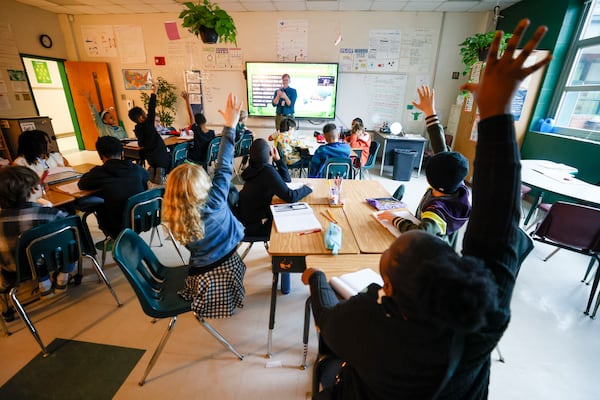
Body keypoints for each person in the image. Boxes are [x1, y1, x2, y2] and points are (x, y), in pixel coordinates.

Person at [303, 19, 551, 399]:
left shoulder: (367, 322)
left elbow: (325, 317)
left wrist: (318, 277)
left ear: (388, 288)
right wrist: (498, 115)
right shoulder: (481, 312)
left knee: (329, 369)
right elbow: (499, 225)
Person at [162, 93, 246, 319]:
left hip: (202, 273)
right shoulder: (215, 199)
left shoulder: (174, 217)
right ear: (201, 184)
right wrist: (230, 126)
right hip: (228, 260)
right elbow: (225, 165)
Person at [377, 85, 471, 240]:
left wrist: (395, 219)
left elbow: (419, 234)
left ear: (428, 179)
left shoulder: (436, 212)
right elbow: (440, 147)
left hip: (429, 252)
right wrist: (430, 113)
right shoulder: (455, 184)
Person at [0, 166, 76, 321]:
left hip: (15, 273)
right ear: (31, 190)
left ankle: (42, 282)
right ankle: (62, 277)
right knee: (70, 243)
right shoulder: (50, 214)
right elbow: (71, 231)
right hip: (53, 262)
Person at [77, 136, 149, 239]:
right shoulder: (135, 168)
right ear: (122, 153)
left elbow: (82, 185)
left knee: (96, 203)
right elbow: (146, 177)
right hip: (144, 219)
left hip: (117, 226)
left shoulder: (100, 172)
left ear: (101, 155)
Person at [237, 138, 312, 237]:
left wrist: (278, 160)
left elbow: (286, 181)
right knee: (296, 221)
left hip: (246, 220)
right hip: (256, 226)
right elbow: (291, 197)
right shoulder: (267, 171)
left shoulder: (254, 167)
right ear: (269, 153)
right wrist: (308, 188)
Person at [128, 82, 170, 184]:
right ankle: (160, 172)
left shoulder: (137, 128)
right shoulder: (149, 123)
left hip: (150, 156)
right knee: (165, 162)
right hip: (159, 151)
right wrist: (154, 92)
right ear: (141, 117)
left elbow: (141, 143)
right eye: (143, 112)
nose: (145, 113)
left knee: (154, 165)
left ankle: (151, 172)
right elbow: (152, 107)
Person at [181, 91, 216, 166]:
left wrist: (187, 100)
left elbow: (191, 115)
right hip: (207, 158)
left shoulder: (197, 130)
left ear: (196, 123)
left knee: (185, 153)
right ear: (205, 120)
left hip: (197, 157)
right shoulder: (212, 133)